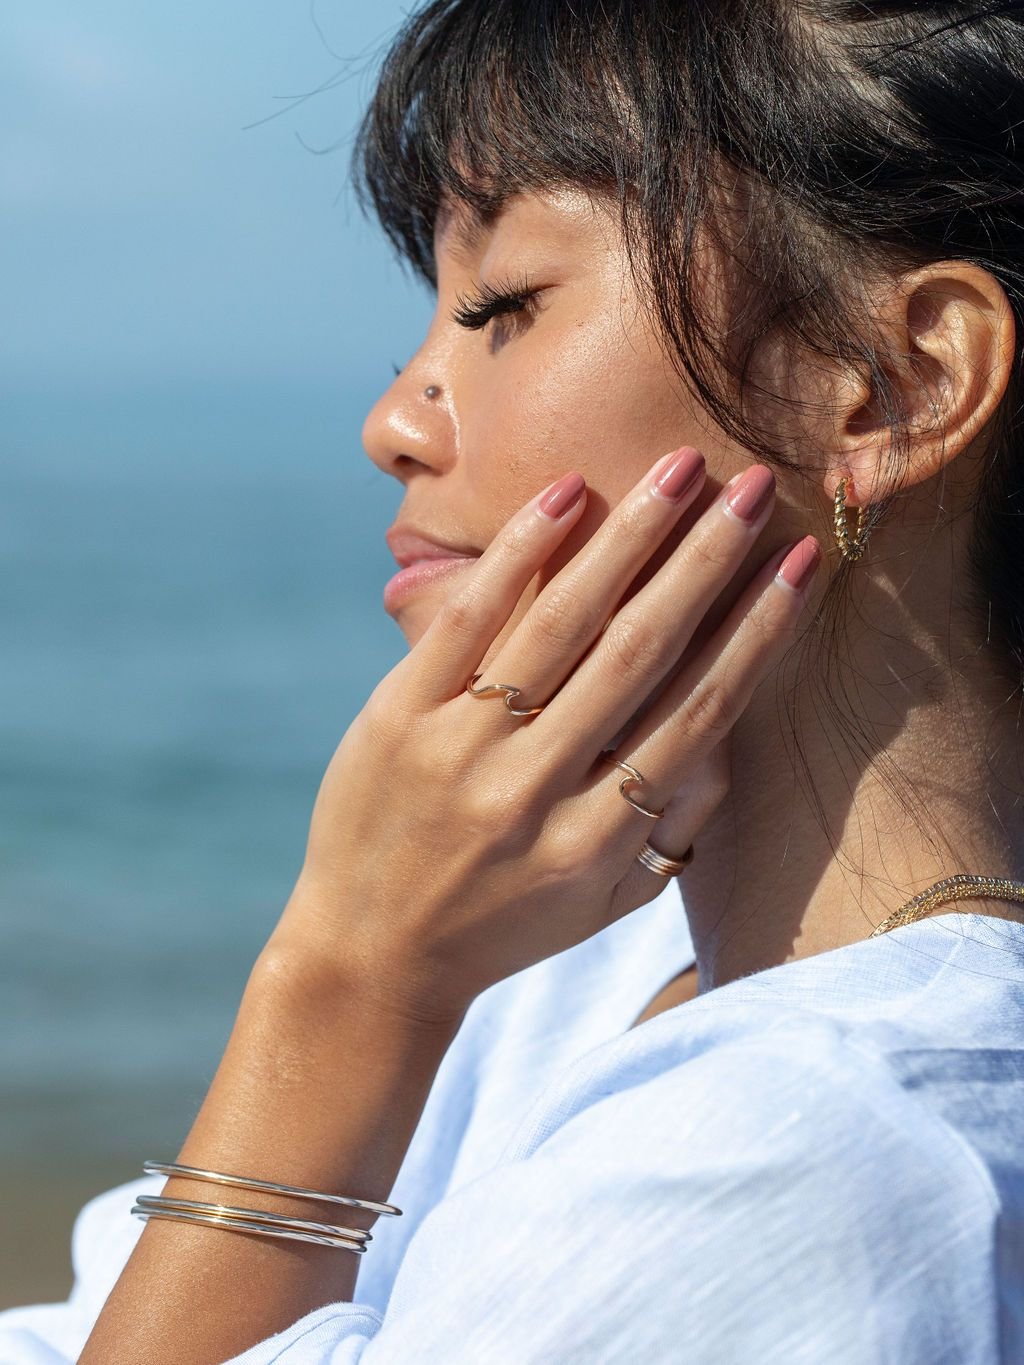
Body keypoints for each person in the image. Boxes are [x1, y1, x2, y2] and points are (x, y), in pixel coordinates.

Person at [3, 0, 1024, 1359]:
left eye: (503, 307)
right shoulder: (580, 975)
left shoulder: (819, 1148)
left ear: (894, 382)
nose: (395, 424)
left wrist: (346, 974)